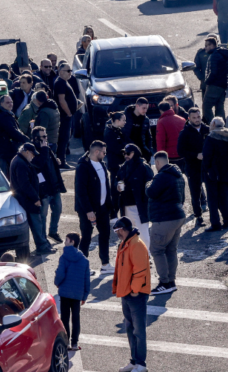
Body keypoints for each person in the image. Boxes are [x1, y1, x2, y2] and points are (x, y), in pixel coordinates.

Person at [112, 216, 150, 372]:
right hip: (128, 293)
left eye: (117, 231)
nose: (117, 234)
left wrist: (134, 291)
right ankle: (134, 361)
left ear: (122, 229)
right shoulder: (126, 244)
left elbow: (140, 271)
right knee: (130, 329)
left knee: (139, 331)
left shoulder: (136, 245)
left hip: (136, 294)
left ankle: (141, 364)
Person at [147, 152, 185, 295]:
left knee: (157, 250)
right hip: (178, 216)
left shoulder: (161, 176)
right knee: (171, 249)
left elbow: (151, 192)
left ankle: (164, 282)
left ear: (157, 163)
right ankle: (171, 281)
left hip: (164, 218)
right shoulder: (178, 175)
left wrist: (148, 183)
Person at [74, 140, 114, 274]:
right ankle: (82, 267)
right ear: (97, 152)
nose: (105, 154)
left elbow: (105, 187)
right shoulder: (83, 167)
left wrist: (110, 207)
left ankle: (105, 264)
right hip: (88, 211)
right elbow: (81, 191)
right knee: (86, 237)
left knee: (105, 235)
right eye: (103, 152)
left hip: (102, 209)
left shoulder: (102, 164)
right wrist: (88, 211)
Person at [201, 117, 228, 232]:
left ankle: (215, 224)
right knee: (225, 198)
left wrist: (207, 169)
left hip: (213, 174)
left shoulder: (211, 138)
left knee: (212, 200)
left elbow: (207, 157)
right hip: (227, 173)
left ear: (214, 124)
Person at [10, 143, 50, 254]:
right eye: (32, 154)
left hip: (25, 199)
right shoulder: (21, 163)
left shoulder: (19, 160)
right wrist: (35, 198)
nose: (32, 157)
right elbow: (25, 184)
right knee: (36, 223)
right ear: (26, 151)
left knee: (36, 222)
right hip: (28, 200)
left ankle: (43, 245)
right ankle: (42, 247)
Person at [54, 232, 90, 351]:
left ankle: (66, 341)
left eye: (67, 240)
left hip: (65, 293)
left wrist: (57, 283)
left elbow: (60, 274)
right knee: (76, 318)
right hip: (77, 294)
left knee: (65, 317)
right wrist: (84, 295)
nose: (65, 242)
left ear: (72, 242)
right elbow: (86, 280)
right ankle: (75, 343)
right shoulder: (84, 260)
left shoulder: (64, 257)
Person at [31, 126, 66, 243]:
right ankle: (43, 238)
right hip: (44, 190)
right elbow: (39, 164)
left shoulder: (46, 147)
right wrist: (45, 150)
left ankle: (53, 232)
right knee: (43, 215)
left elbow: (49, 161)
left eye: (46, 135)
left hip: (54, 186)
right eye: (43, 136)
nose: (46, 138)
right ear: (36, 138)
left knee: (58, 209)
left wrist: (55, 160)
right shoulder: (33, 150)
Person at [114, 144, 152, 249]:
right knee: (128, 234)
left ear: (135, 153)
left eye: (128, 153)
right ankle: (131, 257)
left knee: (143, 234)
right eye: (124, 153)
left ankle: (146, 258)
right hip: (125, 206)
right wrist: (117, 186)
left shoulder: (144, 167)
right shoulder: (123, 167)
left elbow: (151, 185)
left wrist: (146, 201)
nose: (125, 155)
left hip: (139, 206)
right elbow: (116, 180)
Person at [176, 107, 209, 227]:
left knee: (214, 190)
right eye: (194, 118)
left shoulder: (207, 130)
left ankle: (218, 215)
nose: (197, 119)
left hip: (208, 166)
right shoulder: (185, 133)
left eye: (198, 117)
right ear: (189, 118)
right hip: (193, 166)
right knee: (195, 193)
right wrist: (196, 155)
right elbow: (180, 151)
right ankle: (198, 216)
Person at [0, 95, 29, 171]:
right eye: (7, 103)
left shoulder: (7, 114)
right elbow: (12, 131)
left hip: (6, 150)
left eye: (11, 102)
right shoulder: (3, 116)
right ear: (1, 104)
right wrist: (27, 140)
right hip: (4, 152)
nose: (10, 104)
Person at [202, 36, 228, 123]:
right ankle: (221, 126)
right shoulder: (223, 54)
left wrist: (207, 81)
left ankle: (212, 125)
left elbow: (213, 72)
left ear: (214, 45)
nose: (206, 47)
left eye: (208, 45)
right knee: (219, 107)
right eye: (205, 45)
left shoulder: (214, 55)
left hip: (214, 85)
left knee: (206, 106)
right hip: (222, 85)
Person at [53, 64, 78, 166]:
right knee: (63, 138)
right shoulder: (60, 83)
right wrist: (69, 113)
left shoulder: (64, 82)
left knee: (65, 138)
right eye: (68, 71)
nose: (70, 73)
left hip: (66, 115)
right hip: (64, 116)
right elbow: (62, 100)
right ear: (61, 71)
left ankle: (62, 160)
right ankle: (62, 161)